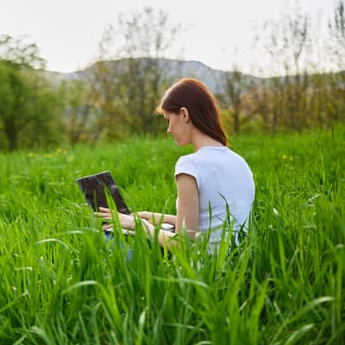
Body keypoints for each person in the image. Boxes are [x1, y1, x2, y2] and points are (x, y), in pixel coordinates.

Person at [95, 78, 255, 252]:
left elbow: (184, 244)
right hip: (236, 263)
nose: (168, 129)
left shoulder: (190, 165)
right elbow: (212, 222)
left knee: (109, 235)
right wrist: (155, 218)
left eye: (168, 120)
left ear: (184, 114)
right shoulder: (239, 162)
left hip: (200, 268)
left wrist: (138, 225)